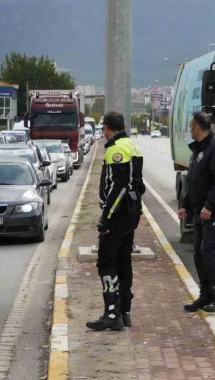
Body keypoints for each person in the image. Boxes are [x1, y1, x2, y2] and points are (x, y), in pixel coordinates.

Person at [86, 111, 144, 331]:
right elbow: (138, 185)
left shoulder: (116, 149)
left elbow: (116, 187)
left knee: (106, 263)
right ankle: (124, 311)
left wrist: (106, 217)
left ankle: (112, 313)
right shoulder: (133, 146)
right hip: (131, 213)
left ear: (107, 128)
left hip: (118, 216)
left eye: (103, 129)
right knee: (124, 261)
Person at [177, 111, 215, 313]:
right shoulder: (198, 151)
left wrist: (209, 206)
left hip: (214, 211)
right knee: (199, 254)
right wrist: (184, 205)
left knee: (209, 251)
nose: (190, 129)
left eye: (191, 126)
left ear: (197, 127)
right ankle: (206, 293)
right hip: (200, 211)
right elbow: (192, 181)